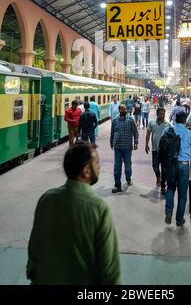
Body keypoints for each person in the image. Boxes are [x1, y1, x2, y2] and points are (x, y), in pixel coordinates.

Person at [27, 141, 121, 285]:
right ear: (86, 171)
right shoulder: (98, 208)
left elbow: (34, 251)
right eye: (96, 163)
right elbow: (110, 272)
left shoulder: (46, 200)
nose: (99, 167)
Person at [162, 112, 191, 226]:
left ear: (175, 120)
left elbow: (162, 144)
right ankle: (179, 219)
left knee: (170, 189)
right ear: (185, 121)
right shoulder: (189, 133)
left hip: (170, 164)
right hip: (183, 165)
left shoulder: (168, 131)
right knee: (182, 194)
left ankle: (168, 212)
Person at [110, 104, 138, 193]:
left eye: (125, 109)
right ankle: (117, 185)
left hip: (127, 147)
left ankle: (128, 179)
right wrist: (111, 142)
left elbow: (135, 132)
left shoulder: (130, 120)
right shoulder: (115, 121)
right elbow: (112, 132)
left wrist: (136, 142)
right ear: (119, 110)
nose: (124, 110)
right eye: (122, 109)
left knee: (128, 166)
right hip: (117, 147)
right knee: (117, 167)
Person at [145, 107, 171, 195]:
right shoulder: (151, 122)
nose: (162, 115)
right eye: (160, 114)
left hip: (164, 151)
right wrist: (146, 144)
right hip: (155, 149)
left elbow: (171, 138)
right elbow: (148, 134)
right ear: (157, 114)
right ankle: (158, 176)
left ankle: (163, 187)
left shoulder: (168, 124)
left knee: (164, 169)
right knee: (155, 166)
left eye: (163, 114)